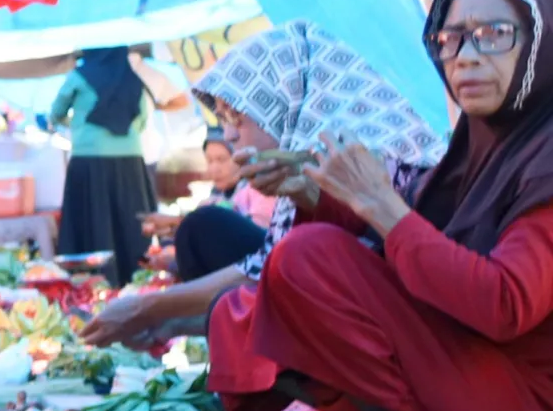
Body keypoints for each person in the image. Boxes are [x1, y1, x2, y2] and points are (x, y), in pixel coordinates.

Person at [221, 0, 553, 411]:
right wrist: (314, 191)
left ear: (542, 41)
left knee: (310, 258)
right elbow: (426, 230)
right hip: (485, 380)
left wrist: (380, 203)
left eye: (494, 35)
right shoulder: (487, 144)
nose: (466, 56)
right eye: (451, 38)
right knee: (282, 279)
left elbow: (506, 303)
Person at [83, 23, 440, 352]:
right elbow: (266, 271)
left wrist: (147, 308)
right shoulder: (300, 156)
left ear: (286, 101)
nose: (231, 133)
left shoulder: (369, 158)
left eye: (239, 114)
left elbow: (272, 276)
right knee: (207, 229)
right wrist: (167, 323)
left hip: (397, 344)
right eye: (223, 119)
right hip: (345, 323)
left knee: (254, 243)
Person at [48, 47, 159, 287]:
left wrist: (78, 126)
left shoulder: (79, 76)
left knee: (93, 222)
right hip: (130, 163)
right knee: (130, 224)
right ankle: (137, 282)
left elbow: (56, 113)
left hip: (89, 162)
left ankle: (95, 286)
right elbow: (140, 120)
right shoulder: (133, 77)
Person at [204, 131, 279, 226]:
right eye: (209, 161)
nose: (214, 169)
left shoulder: (261, 189)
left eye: (222, 160)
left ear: (241, 158)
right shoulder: (213, 199)